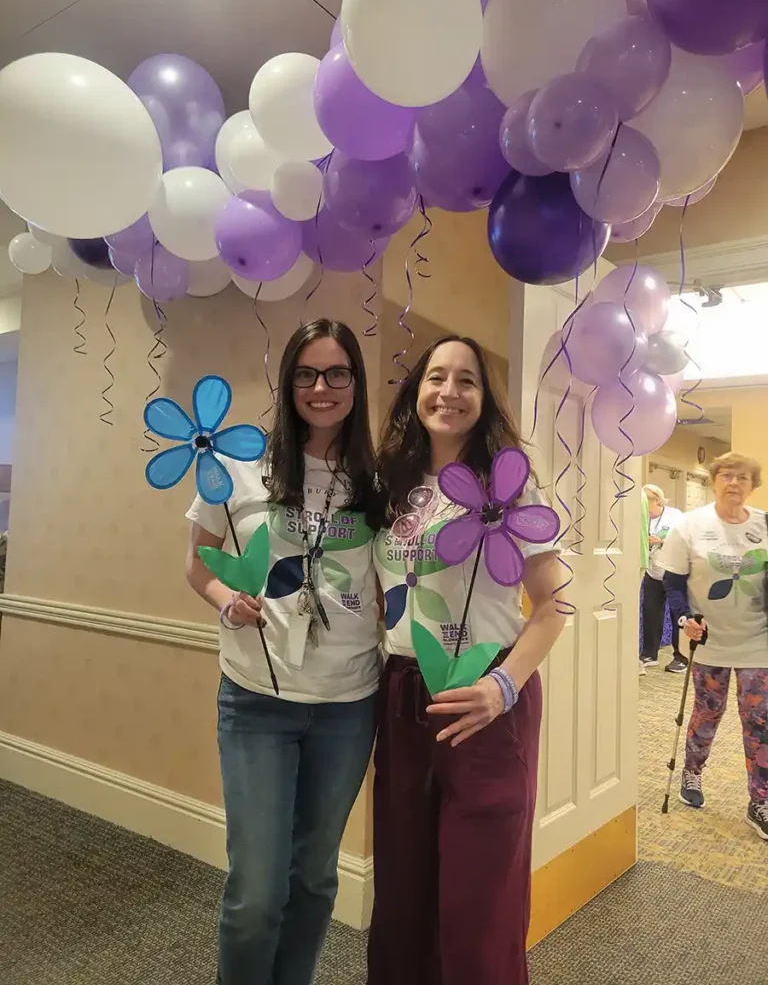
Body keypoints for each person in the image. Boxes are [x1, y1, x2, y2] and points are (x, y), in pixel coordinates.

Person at [185, 318, 381, 984]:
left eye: (336, 374)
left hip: (349, 706)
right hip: (256, 702)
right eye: (306, 373)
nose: (320, 387)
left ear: (355, 384)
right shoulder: (239, 466)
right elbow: (199, 564)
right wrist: (224, 600)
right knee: (256, 894)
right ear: (288, 382)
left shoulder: (377, 482)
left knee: (315, 878)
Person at [368, 335, 566, 985]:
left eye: (466, 381)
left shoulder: (508, 483)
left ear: (484, 400)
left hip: (487, 703)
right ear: (415, 390)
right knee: (403, 889)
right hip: (402, 698)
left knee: (478, 901)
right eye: (436, 377)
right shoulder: (387, 484)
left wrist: (503, 687)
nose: (448, 392)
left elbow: (552, 605)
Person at [659, 451, 768, 841]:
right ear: (714, 481)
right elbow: (672, 583)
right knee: (708, 713)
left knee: (761, 723)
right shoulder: (690, 526)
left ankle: (761, 799)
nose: (733, 483)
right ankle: (693, 769)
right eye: (726, 475)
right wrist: (684, 617)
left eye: (742, 477)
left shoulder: (764, 525)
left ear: (753, 485)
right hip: (709, 640)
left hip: (759, 641)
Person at [640, 484, 685, 672]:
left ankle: (681, 657)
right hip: (653, 572)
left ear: (657, 500)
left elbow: (685, 540)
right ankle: (650, 654)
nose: (644, 507)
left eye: (647, 502)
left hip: (675, 573)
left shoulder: (676, 516)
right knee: (651, 614)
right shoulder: (642, 517)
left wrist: (661, 541)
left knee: (678, 616)